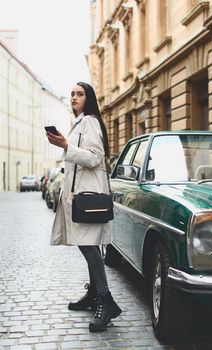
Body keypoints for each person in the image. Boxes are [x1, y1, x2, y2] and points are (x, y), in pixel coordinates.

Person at [46, 82, 122, 332]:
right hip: (81, 195)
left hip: (89, 196)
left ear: (88, 99)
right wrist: (66, 146)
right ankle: (93, 296)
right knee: (87, 245)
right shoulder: (81, 121)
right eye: (72, 94)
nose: (74, 97)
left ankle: (106, 300)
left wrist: (67, 146)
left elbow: (94, 158)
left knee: (89, 247)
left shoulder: (89, 121)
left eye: (80, 94)